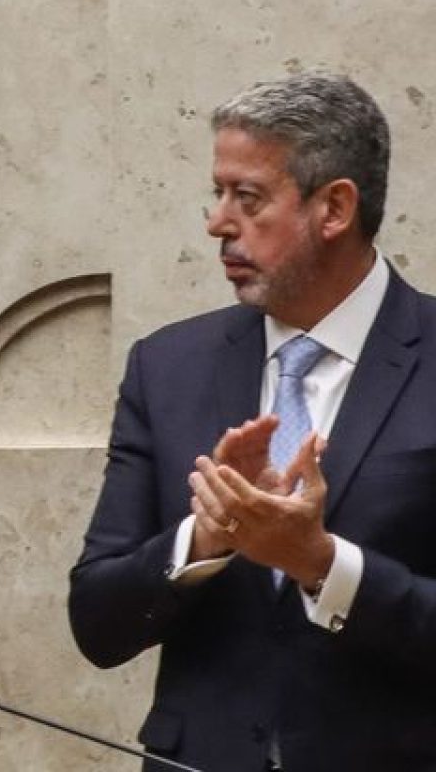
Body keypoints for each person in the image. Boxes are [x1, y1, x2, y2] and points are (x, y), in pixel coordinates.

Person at [71, 71, 436, 771]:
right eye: (218, 194)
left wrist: (323, 565)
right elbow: (96, 620)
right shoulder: (168, 366)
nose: (217, 222)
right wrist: (203, 540)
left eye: (248, 197)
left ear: (333, 209)